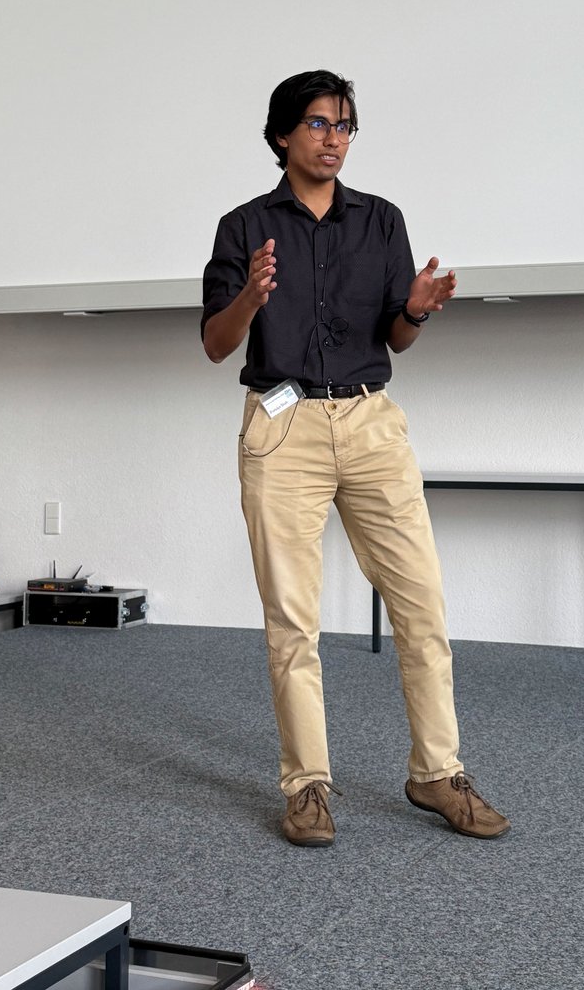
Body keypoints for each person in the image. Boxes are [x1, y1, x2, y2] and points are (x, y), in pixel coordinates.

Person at [201, 69, 509, 847]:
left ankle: (437, 772)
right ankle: (307, 786)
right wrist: (252, 296)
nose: (332, 137)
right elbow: (214, 342)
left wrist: (412, 311)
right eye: (316, 123)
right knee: (292, 620)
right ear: (281, 135)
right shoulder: (242, 227)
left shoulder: (380, 221)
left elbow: (395, 334)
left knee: (421, 606)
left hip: (370, 424)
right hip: (282, 428)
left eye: (344, 125)